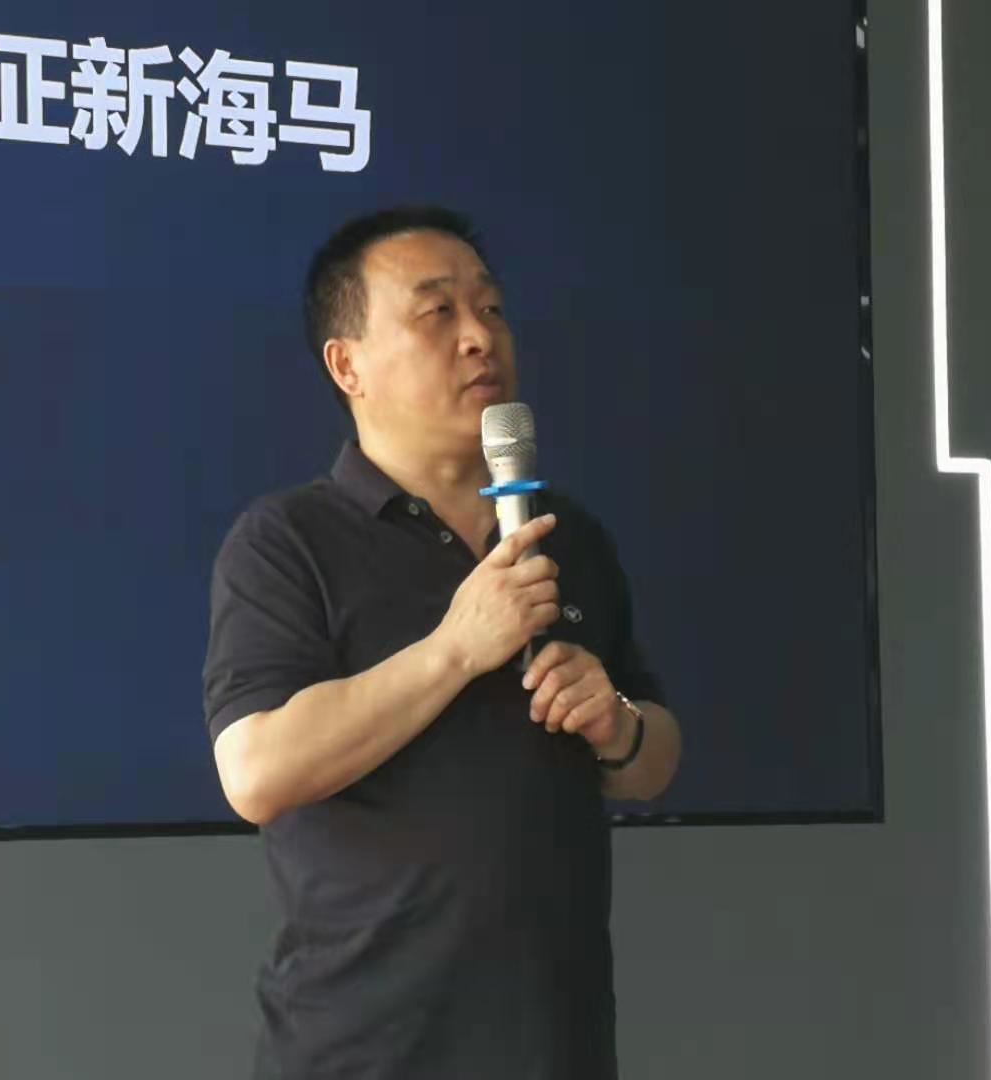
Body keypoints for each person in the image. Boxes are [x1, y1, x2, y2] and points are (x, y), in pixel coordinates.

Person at [201, 205, 682, 1079]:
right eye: (437, 312)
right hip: (365, 1051)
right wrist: (455, 648)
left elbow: (655, 757)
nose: (479, 337)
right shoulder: (287, 541)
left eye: (491, 308)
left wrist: (617, 723)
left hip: (555, 1046)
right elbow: (257, 772)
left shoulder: (566, 535)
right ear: (347, 365)